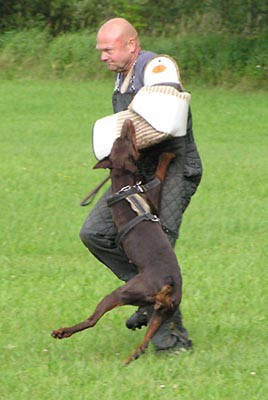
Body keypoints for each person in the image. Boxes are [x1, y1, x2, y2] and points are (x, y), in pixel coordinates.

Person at [80, 18, 203, 353]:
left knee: (159, 250)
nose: (103, 56)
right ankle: (148, 297)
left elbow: (166, 114)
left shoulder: (157, 68)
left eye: (108, 49)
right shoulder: (122, 78)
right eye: (100, 51)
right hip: (136, 174)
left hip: (174, 169)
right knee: (94, 233)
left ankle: (171, 340)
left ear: (131, 44)